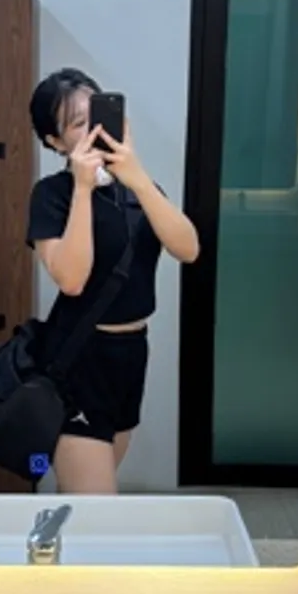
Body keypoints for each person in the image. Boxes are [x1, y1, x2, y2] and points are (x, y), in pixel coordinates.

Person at [27, 67, 200, 494]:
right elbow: (71, 279)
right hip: (79, 358)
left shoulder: (138, 188)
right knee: (96, 506)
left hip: (131, 355)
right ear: (55, 141)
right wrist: (83, 189)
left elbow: (188, 248)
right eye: (77, 123)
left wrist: (137, 177)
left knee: (84, 499)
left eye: (99, 115)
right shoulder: (52, 195)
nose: (95, 130)